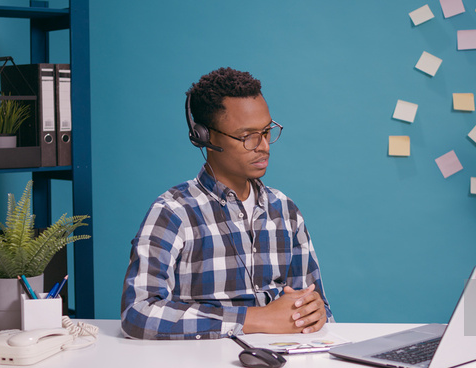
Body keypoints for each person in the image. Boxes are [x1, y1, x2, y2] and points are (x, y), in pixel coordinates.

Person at [121, 67, 333, 340]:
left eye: (267, 131)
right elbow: (138, 312)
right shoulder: (172, 213)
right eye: (247, 136)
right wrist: (254, 318)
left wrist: (316, 310)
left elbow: (316, 306)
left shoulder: (285, 210)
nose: (264, 146)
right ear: (204, 137)